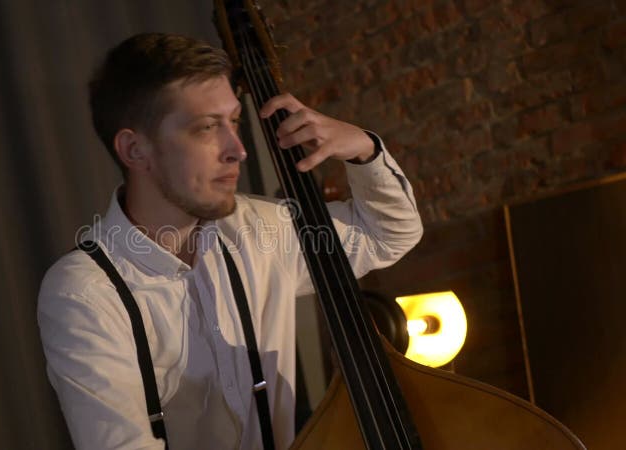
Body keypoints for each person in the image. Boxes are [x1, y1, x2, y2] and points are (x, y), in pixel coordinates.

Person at [38, 32, 422, 450]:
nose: (238, 150)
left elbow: (386, 234)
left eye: (234, 122)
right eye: (207, 128)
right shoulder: (83, 293)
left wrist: (363, 151)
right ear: (135, 150)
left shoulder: (257, 229)